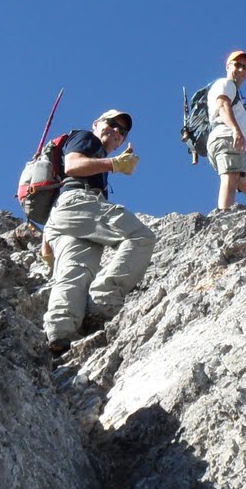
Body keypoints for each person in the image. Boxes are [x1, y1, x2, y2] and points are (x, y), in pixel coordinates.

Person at [43, 109, 154, 355]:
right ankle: (103, 301)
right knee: (140, 236)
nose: (116, 132)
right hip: (79, 202)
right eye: (112, 124)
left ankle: (60, 334)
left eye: (122, 131)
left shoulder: (95, 156)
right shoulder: (86, 138)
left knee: (76, 272)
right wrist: (114, 164)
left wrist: (47, 249)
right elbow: (72, 166)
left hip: (63, 216)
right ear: (96, 123)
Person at [208, 50, 246, 211]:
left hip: (231, 142)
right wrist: (235, 130)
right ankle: (224, 217)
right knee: (231, 176)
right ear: (228, 66)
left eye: (245, 67)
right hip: (227, 137)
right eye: (237, 65)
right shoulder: (225, 84)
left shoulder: (235, 91)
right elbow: (222, 105)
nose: (241, 70)